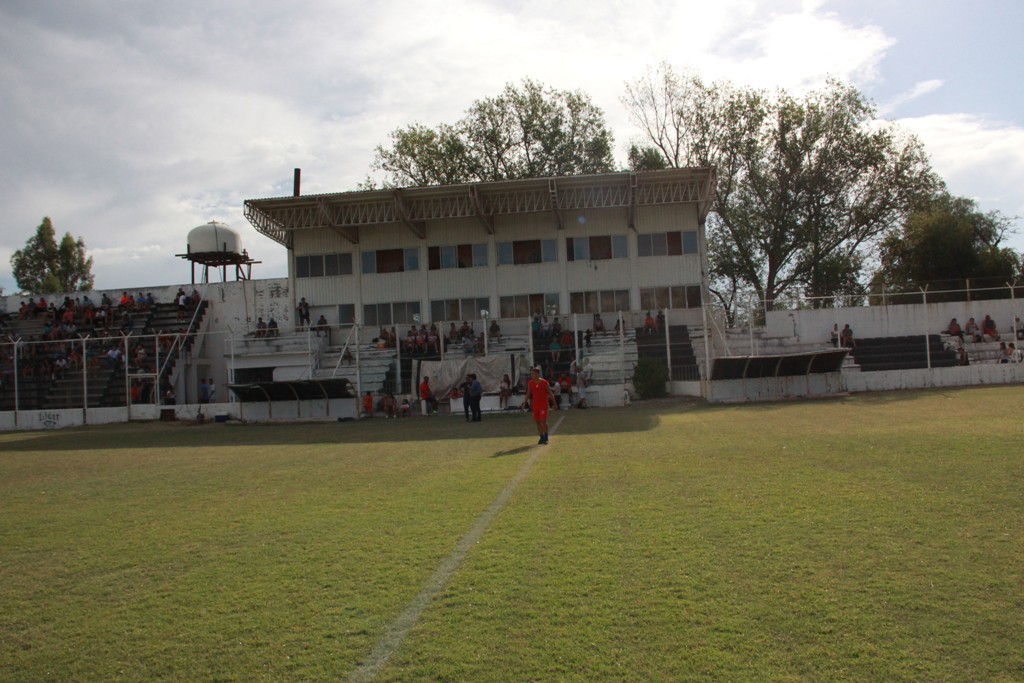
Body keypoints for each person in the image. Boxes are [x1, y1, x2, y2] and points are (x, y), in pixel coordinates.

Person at [521, 365, 557, 445]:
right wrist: (524, 403)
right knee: (537, 422)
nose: (532, 375)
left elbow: (550, 393)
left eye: (533, 374)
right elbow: (528, 394)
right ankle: (541, 437)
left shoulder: (544, 382)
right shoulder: (530, 383)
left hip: (543, 405)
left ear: (538, 374)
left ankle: (546, 437)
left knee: (543, 422)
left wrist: (554, 404)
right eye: (531, 374)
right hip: (535, 406)